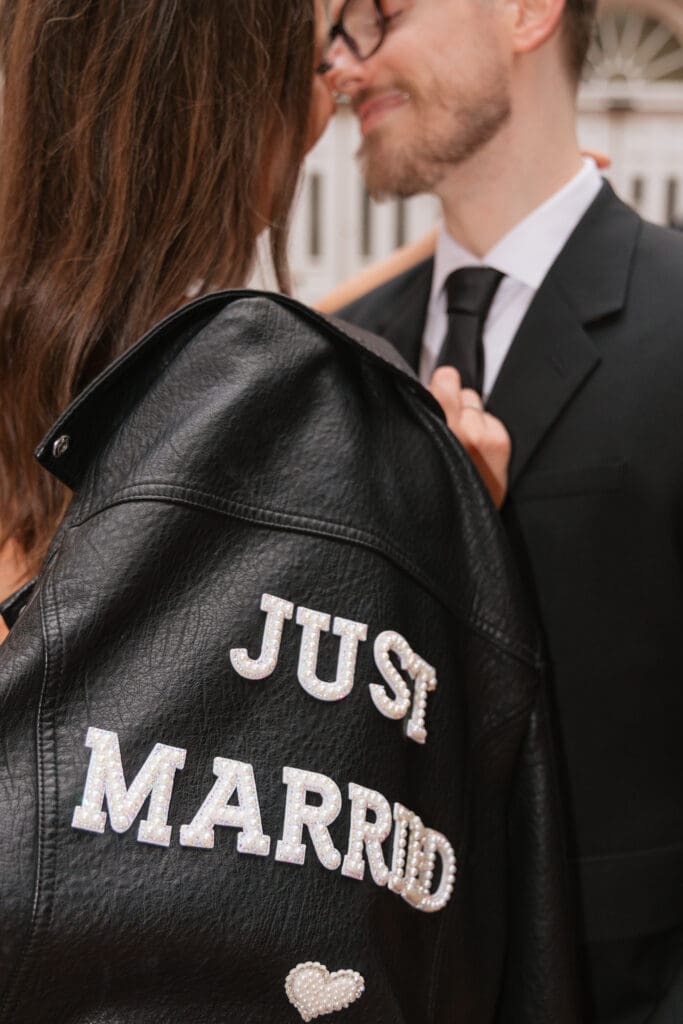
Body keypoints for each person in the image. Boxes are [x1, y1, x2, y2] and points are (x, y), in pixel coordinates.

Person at [0, 2, 577, 1021]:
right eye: (313, 61)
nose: (332, 95)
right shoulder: (315, 418)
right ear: (236, 107)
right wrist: (433, 535)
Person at [323, 0, 683, 1021]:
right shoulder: (340, 357)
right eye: (337, 35)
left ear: (526, 13)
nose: (346, 66)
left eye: (378, 14)